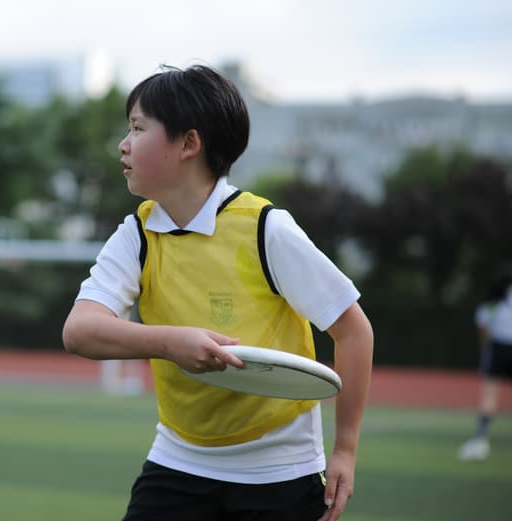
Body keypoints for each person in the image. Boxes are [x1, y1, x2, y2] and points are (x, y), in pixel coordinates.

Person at [62, 64, 374, 521]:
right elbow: (80, 332)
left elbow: (354, 332)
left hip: (281, 472)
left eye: (137, 128)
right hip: (178, 459)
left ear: (189, 143)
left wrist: (344, 450)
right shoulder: (137, 235)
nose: (123, 144)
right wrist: (172, 343)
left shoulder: (268, 229)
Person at [458, 270, 512, 461]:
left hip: (497, 349)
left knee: (489, 397)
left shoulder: (491, 305)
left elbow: (484, 329)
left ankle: (480, 440)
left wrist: (486, 350)